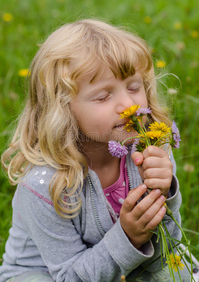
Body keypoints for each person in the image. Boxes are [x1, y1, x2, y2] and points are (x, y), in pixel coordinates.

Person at [0, 19, 190, 282]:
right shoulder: (44, 185)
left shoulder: (150, 152)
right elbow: (68, 277)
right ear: (62, 109)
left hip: (126, 263)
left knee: (178, 273)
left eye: (134, 87)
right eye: (103, 96)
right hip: (48, 273)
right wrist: (129, 238)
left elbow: (166, 252)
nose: (128, 104)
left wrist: (166, 192)